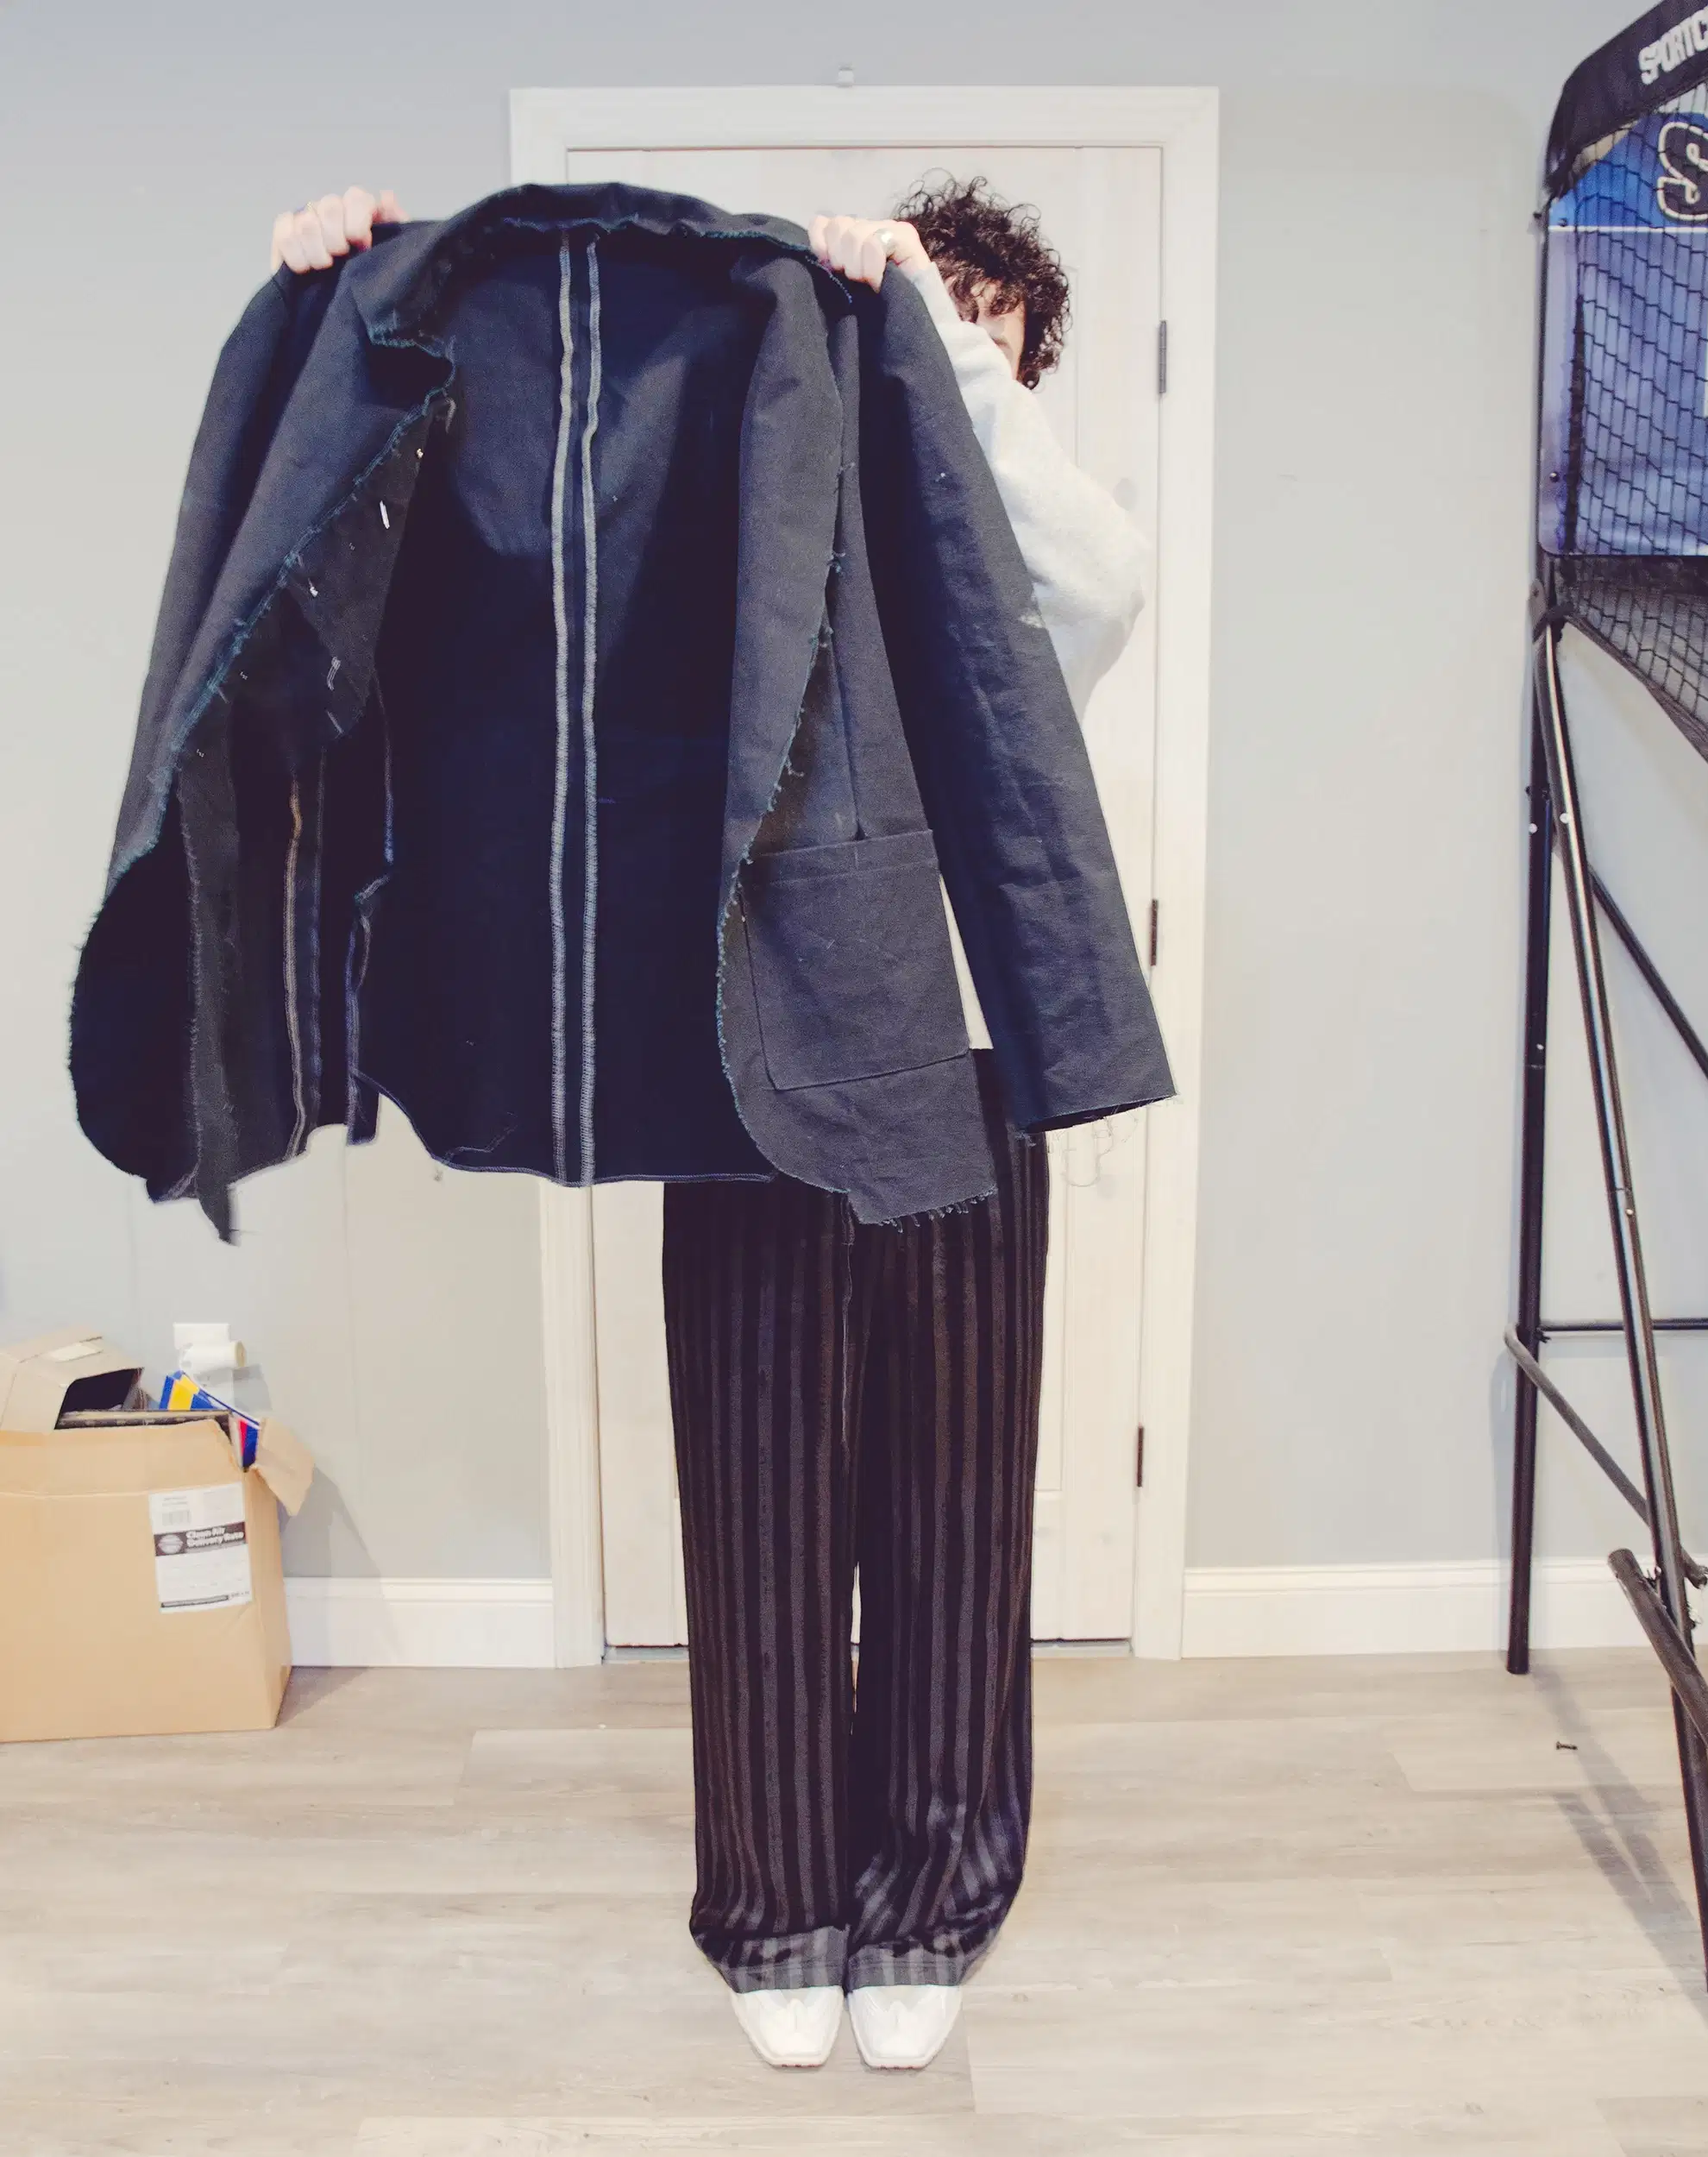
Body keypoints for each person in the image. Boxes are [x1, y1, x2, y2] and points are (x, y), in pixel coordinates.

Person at [270, 173, 1151, 2073]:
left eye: (974, 330)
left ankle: (932, 1885)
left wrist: (939, 352)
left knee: (951, 1492)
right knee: (757, 1484)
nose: (914, 349)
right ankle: (773, 1900)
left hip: (966, 1060)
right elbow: (507, 542)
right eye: (898, 323)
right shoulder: (726, 517)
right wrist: (356, 295)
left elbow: (1102, 584)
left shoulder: (1013, 542)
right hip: (739, 1053)